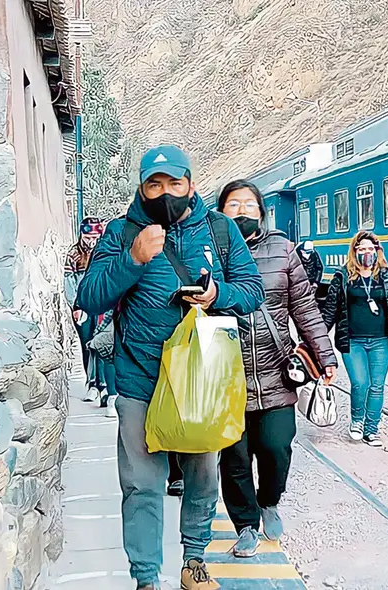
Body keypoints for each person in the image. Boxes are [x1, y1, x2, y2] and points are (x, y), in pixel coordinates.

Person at [76, 144, 265, 590]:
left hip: (201, 380)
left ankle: (194, 560)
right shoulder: (123, 233)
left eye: (174, 183)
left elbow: (252, 289)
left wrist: (218, 295)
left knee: (202, 474)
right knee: (141, 484)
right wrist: (134, 259)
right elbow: (89, 296)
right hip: (141, 380)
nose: (165, 193)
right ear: (141, 188)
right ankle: (145, 577)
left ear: (191, 185)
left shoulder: (219, 230)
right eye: (154, 184)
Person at [216, 179, 339, 557]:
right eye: (233, 205)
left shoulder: (283, 252)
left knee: (276, 447)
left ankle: (269, 500)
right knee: (234, 457)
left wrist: (325, 357)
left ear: (262, 212)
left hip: (276, 372)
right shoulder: (207, 253)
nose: (241, 211)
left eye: (249, 205)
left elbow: (305, 310)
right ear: (220, 212)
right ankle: (246, 525)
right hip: (224, 376)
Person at [322, 230, 388, 447]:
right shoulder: (343, 276)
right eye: (362, 249)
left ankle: (371, 429)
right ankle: (357, 421)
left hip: (380, 341)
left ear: (377, 251)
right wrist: (316, 341)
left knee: (377, 386)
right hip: (352, 341)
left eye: (370, 249)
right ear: (354, 251)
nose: (366, 253)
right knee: (360, 383)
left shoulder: (385, 275)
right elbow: (329, 311)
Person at [64, 217, 106, 402]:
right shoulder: (73, 255)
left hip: (103, 303)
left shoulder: (104, 252)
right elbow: (69, 284)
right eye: (88, 237)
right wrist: (77, 305)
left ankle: (103, 384)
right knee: (87, 344)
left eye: (95, 238)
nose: (91, 242)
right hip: (83, 306)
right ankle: (91, 383)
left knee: (103, 343)